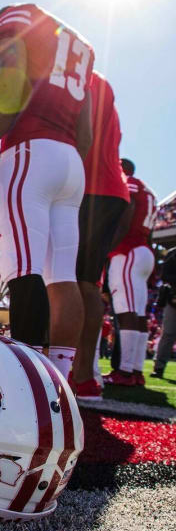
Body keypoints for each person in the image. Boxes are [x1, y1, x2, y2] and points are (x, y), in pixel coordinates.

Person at [0, 3, 94, 379]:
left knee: (23, 268)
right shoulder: (80, 45)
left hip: (31, 151)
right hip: (70, 160)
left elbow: (11, 90)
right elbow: (85, 132)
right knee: (62, 276)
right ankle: (59, 380)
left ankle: (27, 383)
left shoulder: (17, 20)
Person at [72, 72, 130, 399]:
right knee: (88, 282)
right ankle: (84, 374)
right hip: (110, 187)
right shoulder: (104, 83)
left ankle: (75, 371)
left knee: (69, 281)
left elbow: (81, 135)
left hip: (88, 186)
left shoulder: (79, 75)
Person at [104, 159, 157, 387]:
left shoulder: (128, 182)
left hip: (128, 250)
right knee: (139, 313)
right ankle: (136, 370)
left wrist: (110, 246)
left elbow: (128, 210)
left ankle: (125, 372)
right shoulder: (149, 191)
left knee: (126, 311)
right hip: (144, 249)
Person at [153, 247, 176, 378]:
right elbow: (164, 275)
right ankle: (159, 367)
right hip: (173, 298)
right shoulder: (173, 253)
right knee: (168, 333)